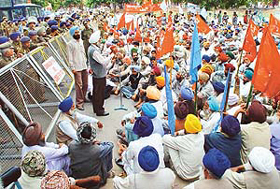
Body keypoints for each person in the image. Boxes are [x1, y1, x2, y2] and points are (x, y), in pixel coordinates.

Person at [69, 122, 114, 188]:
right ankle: (107, 172)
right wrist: (100, 143)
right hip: (95, 181)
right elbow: (110, 145)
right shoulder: (98, 149)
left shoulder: (71, 145)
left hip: (76, 177)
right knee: (106, 153)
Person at [163, 114, 204, 181]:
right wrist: (178, 133)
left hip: (185, 175)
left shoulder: (183, 140)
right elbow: (186, 131)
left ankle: (165, 161)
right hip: (198, 173)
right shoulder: (201, 135)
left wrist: (173, 134)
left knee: (169, 144)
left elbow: (165, 139)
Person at [88, 30, 113, 116]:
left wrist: (106, 53)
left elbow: (100, 55)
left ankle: (96, 108)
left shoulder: (93, 48)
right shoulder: (93, 51)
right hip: (99, 75)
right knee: (99, 93)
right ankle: (100, 110)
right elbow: (102, 61)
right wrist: (111, 56)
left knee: (96, 92)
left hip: (97, 74)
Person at [67, 26, 88, 111]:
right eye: (75, 32)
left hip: (84, 65)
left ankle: (84, 97)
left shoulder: (81, 42)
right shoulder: (70, 44)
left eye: (78, 32)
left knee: (86, 84)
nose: (77, 34)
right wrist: (72, 67)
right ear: (72, 34)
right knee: (79, 85)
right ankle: (79, 103)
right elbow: (69, 57)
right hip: (77, 67)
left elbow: (83, 54)